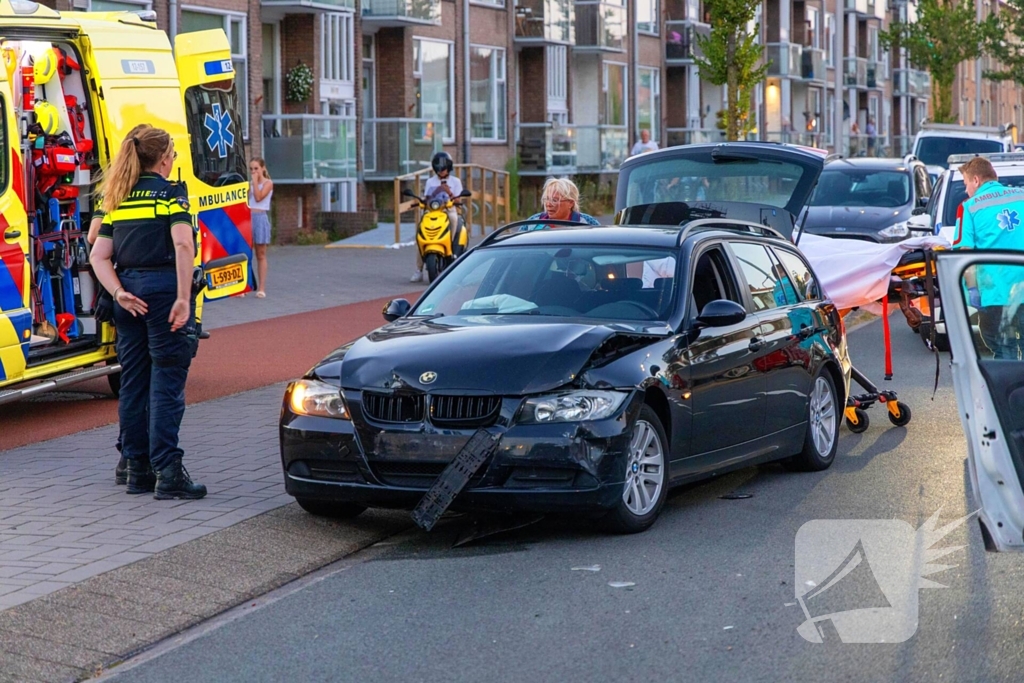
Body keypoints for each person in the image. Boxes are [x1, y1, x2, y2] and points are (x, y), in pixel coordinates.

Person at [89, 124, 207, 500]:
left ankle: (136, 469)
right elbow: (184, 245)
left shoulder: (119, 200)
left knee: (134, 384)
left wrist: (120, 292)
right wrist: (184, 297)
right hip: (162, 293)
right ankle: (169, 472)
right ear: (164, 159)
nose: (173, 161)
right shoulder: (172, 197)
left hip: (128, 297)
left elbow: (97, 253)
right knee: (167, 384)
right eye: (172, 155)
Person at [953, 156, 1024, 359]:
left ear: (976, 180)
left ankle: (1011, 389)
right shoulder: (1022, 196)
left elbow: (965, 253)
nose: (966, 189)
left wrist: (973, 288)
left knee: (1004, 349)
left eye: (966, 183)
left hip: (996, 293)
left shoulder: (969, 207)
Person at [411, 152, 464, 282]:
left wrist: (448, 192)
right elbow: (428, 197)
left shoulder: (455, 181)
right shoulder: (430, 181)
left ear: (449, 167)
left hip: (448, 209)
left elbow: (458, 200)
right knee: (421, 233)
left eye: (444, 168)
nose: (441, 171)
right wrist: (423, 200)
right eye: (438, 168)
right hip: (433, 210)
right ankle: (419, 269)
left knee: (453, 218)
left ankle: (449, 243)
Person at [522, 177, 601, 231]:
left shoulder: (588, 223)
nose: (548, 204)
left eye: (555, 200)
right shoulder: (533, 223)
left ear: (571, 203)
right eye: (546, 199)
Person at [248, 157, 273, 298]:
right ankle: (245, 286)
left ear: (262, 168)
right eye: (251, 169)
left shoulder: (268, 183)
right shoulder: (250, 184)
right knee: (246, 253)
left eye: (256, 168)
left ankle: (261, 288)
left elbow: (258, 198)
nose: (253, 172)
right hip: (248, 218)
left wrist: (255, 183)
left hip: (260, 218)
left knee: (261, 254)